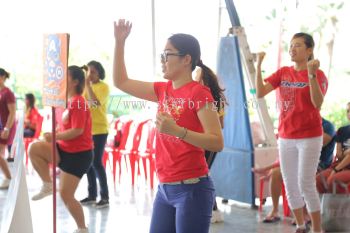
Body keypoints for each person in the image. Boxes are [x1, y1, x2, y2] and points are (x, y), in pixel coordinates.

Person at [114, 19, 224, 233]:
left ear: (186, 59)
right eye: (161, 56)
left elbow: (217, 141)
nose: (162, 60)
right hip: (164, 188)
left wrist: (178, 131)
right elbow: (121, 82)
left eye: (167, 54)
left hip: (192, 189)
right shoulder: (162, 90)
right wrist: (120, 43)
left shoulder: (198, 93)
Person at [255, 32, 328, 233]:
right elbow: (259, 92)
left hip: (310, 137)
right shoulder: (283, 72)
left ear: (309, 50)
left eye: (297, 45)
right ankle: (300, 225)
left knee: (306, 182)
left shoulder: (319, 74)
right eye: (291, 46)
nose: (292, 49)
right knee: (290, 182)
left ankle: (317, 229)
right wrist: (259, 64)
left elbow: (317, 103)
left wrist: (311, 75)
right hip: (286, 136)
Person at [29, 66, 93, 233]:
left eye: (65, 77)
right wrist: (53, 134)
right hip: (64, 149)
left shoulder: (79, 102)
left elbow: (77, 130)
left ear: (75, 81)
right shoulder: (63, 103)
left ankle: (82, 228)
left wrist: (55, 137)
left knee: (66, 194)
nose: (61, 80)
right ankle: (47, 183)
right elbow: (63, 127)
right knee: (34, 148)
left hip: (79, 155)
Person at [253, 118, 336, 223]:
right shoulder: (299, 125)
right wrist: (271, 167)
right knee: (276, 172)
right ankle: (275, 210)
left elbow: (311, 147)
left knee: (303, 174)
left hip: (319, 164)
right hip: (298, 162)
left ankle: (305, 214)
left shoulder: (328, 126)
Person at [195, 67, 227, 223]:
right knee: (204, 175)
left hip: (203, 142)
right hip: (210, 142)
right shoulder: (218, 98)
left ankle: (213, 210)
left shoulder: (201, 97)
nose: (194, 79)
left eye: (196, 76)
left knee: (203, 176)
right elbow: (221, 125)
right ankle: (213, 210)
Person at [80, 61, 110, 208]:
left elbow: (95, 103)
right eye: (88, 72)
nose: (90, 75)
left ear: (99, 73)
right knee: (88, 165)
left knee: (97, 163)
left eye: (93, 72)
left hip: (99, 130)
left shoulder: (103, 87)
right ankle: (92, 195)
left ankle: (105, 197)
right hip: (87, 130)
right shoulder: (85, 87)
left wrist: (88, 86)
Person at [316, 102, 350, 194]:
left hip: (341, 167)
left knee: (334, 180)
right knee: (318, 180)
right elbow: (339, 154)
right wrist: (347, 153)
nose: (349, 113)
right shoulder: (342, 130)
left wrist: (336, 170)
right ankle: (324, 207)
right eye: (347, 111)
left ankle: (341, 208)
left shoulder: (328, 126)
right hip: (340, 164)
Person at [0, 68, 16, 189]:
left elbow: (12, 112)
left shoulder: (7, 93)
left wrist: (7, 128)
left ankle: (8, 178)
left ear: (3, 77)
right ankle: (7, 177)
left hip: (5, 128)